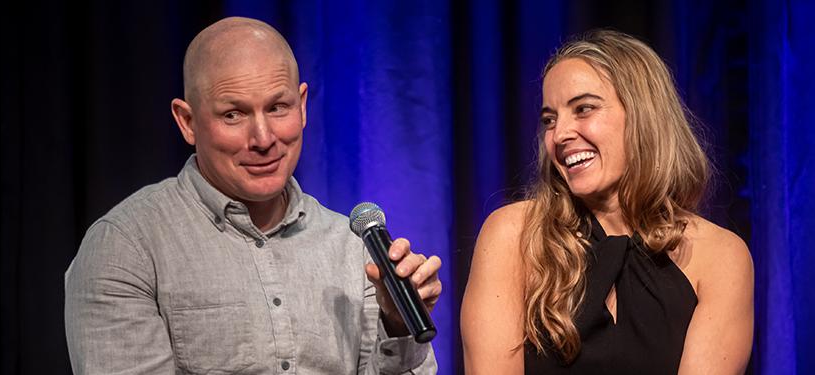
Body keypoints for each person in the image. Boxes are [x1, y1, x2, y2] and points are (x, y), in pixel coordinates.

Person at [64, 17, 442, 374]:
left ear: (303, 105)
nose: (263, 139)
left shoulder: (351, 245)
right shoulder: (126, 247)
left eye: (278, 108)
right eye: (233, 115)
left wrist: (396, 324)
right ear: (188, 121)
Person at [461, 30, 753, 374]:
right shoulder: (514, 234)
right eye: (549, 120)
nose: (559, 135)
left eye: (583, 109)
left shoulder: (720, 256)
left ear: (644, 116)